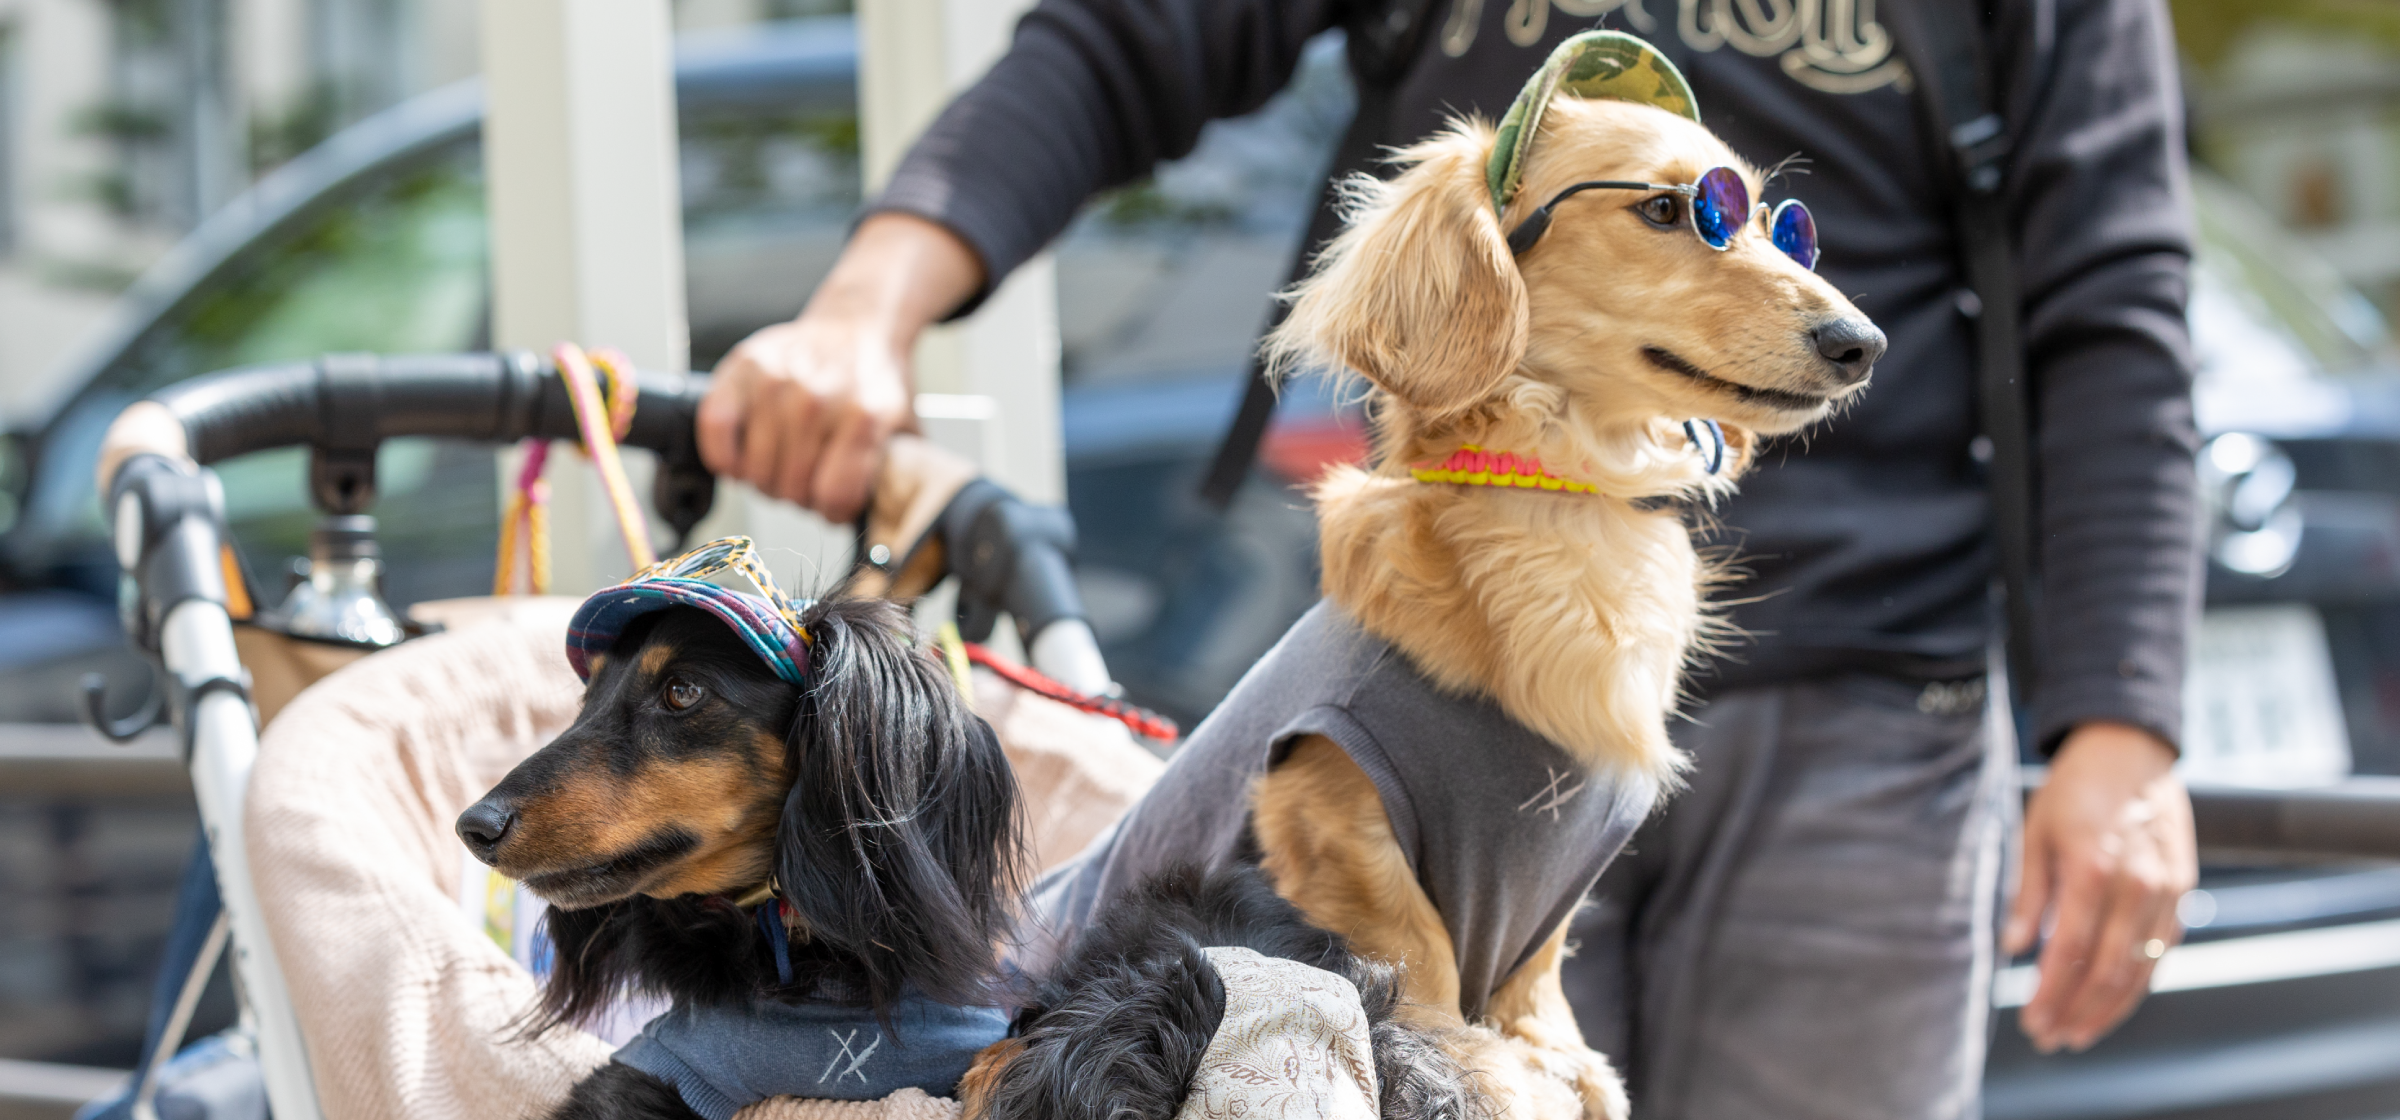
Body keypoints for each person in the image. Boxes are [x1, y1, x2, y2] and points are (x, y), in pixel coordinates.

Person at [693, 1, 2201, 1116]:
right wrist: (862, 308)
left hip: (1871, 720)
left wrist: (2121, 729)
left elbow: (2111, 294)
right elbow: (1118, 44)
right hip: (1447, 675)